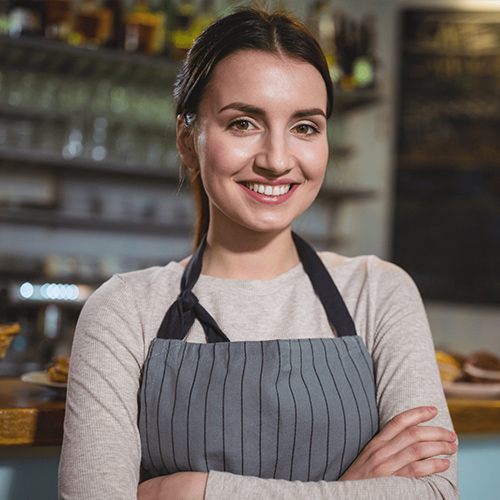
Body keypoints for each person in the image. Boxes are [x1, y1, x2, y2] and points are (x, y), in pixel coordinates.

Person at [59, 8, 459, 500]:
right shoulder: (123, 310)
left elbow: (436, 491)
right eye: (244, 123)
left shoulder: (379, 291)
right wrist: (348, 490)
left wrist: (193, 492)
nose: (276, 159)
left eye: (305, 127)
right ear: (188, 140)